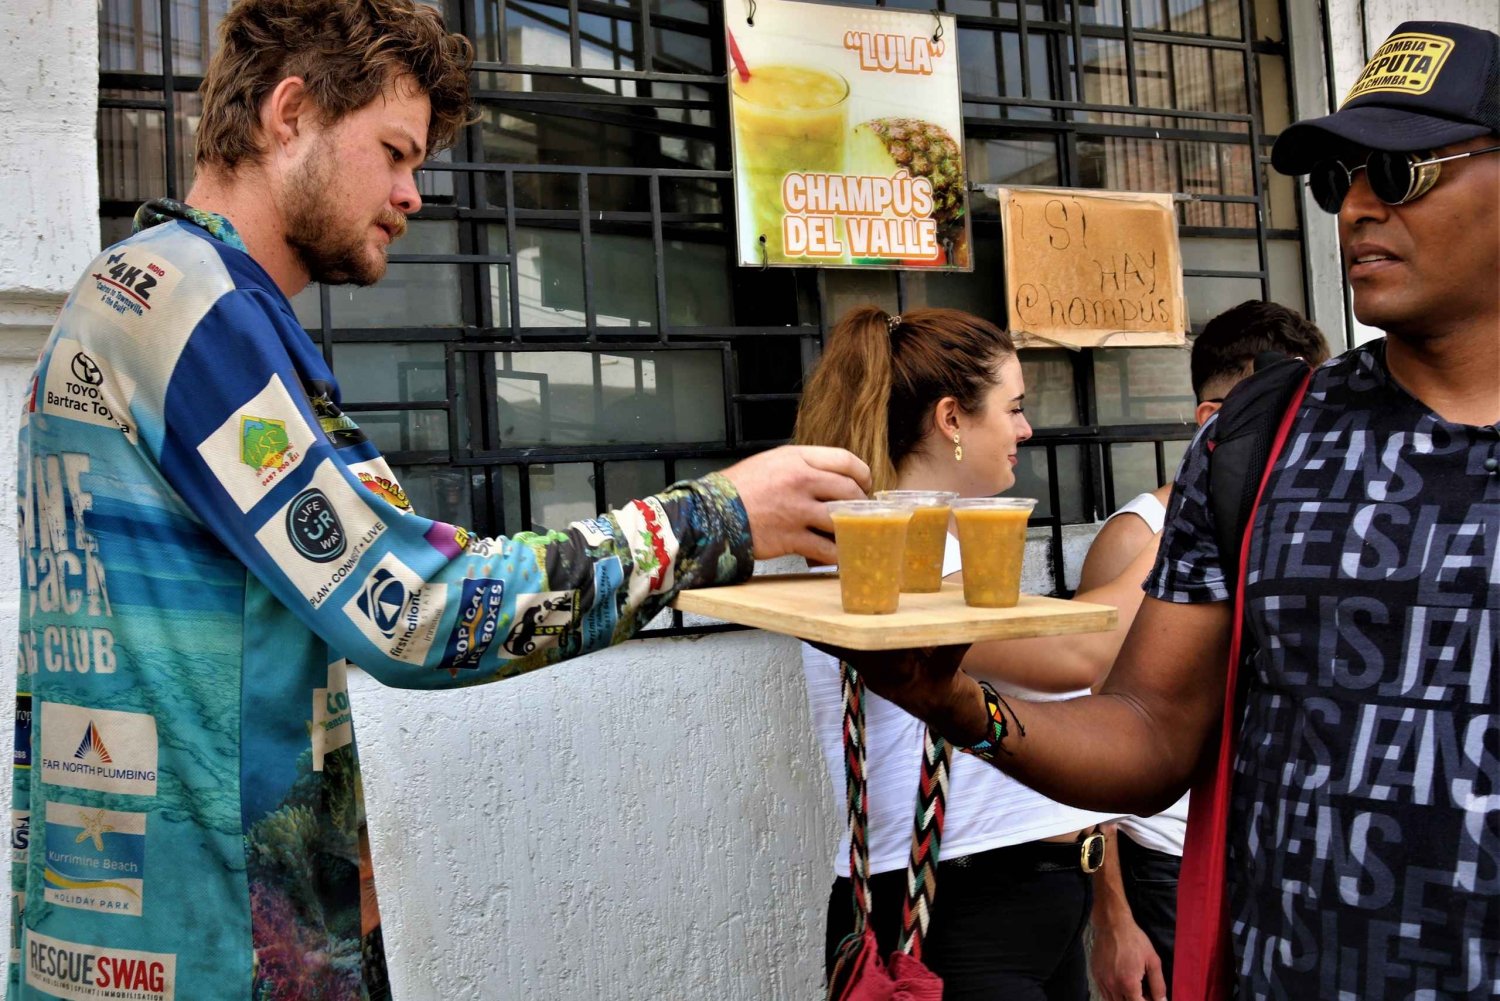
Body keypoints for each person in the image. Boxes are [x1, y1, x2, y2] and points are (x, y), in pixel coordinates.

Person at [7, 0, 870, 997]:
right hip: (214, 959)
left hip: (102, 941)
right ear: (290, 114)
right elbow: (416, 609)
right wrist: (710, 519)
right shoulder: (205, 319)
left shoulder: (118, 291)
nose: (415, 193)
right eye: (394, 151)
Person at [846, 19, 1499, 1000]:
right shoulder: (1261, 437)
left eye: (1400, 174)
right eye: (1340, 179)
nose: (1358, 207)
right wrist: (955, 704)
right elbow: (1150, 730)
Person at [793, 306, 1127, 1001]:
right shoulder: (881, 553)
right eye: (1014, 407)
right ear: (952, 419)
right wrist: (1183, 529)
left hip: (1025, 902)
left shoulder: (952, 548)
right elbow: (1077, 655)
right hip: (953, 910)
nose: (1026, 429)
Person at [1083, 300, 1330, 1001]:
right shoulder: (1141, 535)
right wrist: (1114, 915)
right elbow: (1095, 706)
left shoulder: (1312, 523)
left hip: (1272, 850)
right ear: (1212, 419)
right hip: (1165, 859)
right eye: (1288, 414)